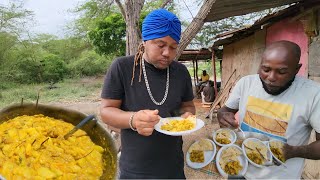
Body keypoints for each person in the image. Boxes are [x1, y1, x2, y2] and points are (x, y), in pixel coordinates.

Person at [100, 9, 195, 179]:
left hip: (173, 168)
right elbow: (106, 111)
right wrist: (133, 119)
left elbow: (187, 106)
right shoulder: (122, 67)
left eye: (173, 47)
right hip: (135, 171)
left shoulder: (181, 72)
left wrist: (186, 116)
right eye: (161, 45)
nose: (167, 53)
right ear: (145, 41)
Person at [217, 40, 320, 179]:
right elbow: (225, 111)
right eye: (265, 69)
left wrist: (293, 152)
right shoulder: (246, 83)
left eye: (282, 72)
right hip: (239, 168)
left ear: (297, 69)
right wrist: (222, 116)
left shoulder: (313, 94)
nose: (271, 78)